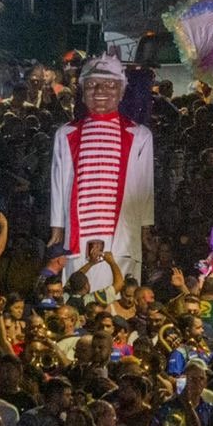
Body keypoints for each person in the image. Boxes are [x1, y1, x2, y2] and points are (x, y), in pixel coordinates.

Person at [49, 55, 155, 283]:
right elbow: (58, 183)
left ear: (122, 90)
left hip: (123, 232)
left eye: (109, 85)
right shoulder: (65, 133)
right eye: (92, 85)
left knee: (119, 289)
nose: (100, 92)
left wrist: (146, 226)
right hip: (80, 229)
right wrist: (57, 224)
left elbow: (145, 186)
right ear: (82, 91)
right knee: (78, 287)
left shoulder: (140, 135)